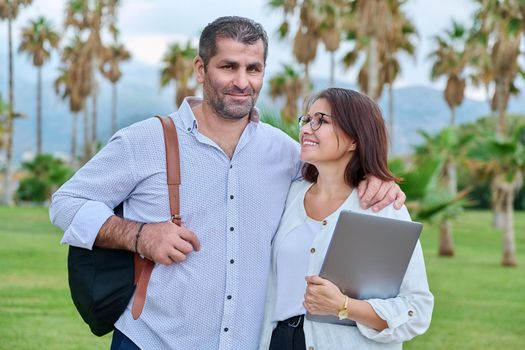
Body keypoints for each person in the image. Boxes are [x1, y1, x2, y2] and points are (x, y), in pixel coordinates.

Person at [49, 17, 405, 350]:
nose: (242, 82)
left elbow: (336, 177)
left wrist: (374, 179)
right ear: (201, 69)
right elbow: (66, 203)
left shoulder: (285, 151)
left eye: (254, 69)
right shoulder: (144, 140)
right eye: (228, 66)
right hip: (152, 339)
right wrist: (141, 236)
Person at [258, 88, 434, 350]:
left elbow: (416, 310)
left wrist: (344, 306)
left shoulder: (382, 207)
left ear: (354, 139)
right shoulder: (290, 194)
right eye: (306, 119)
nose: (307, 128)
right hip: (280, 341)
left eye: (322, 121)